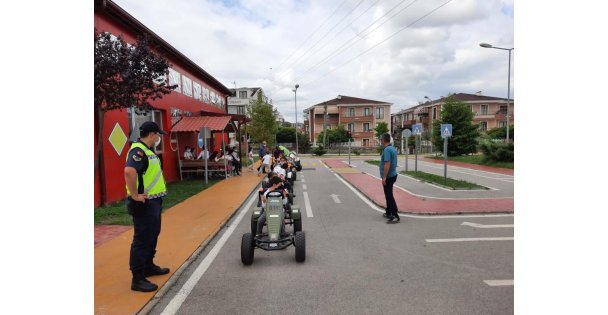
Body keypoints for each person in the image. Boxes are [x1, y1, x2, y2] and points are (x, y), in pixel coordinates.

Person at [124, 121, 170, 292]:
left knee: (152, 235)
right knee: (142, 239)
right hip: (144, 203)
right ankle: (137, 278)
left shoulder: (147, 151)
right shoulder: (138, 151)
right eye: (158, 135)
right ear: (152, 134)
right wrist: (135, 195)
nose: (159, 138)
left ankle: (148, 266)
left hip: (153, 202)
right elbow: (129, 171)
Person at [379, 133, 400, 223]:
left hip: (389, 176)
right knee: (388, 195)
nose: (380, 141)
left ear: (384, 140)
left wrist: (384, 177)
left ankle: (395, 215)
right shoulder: (392, 148)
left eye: (381, 139)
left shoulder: (387, 150)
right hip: (393, 175)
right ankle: (388, 212)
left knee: (389, 196)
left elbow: (387, 164)